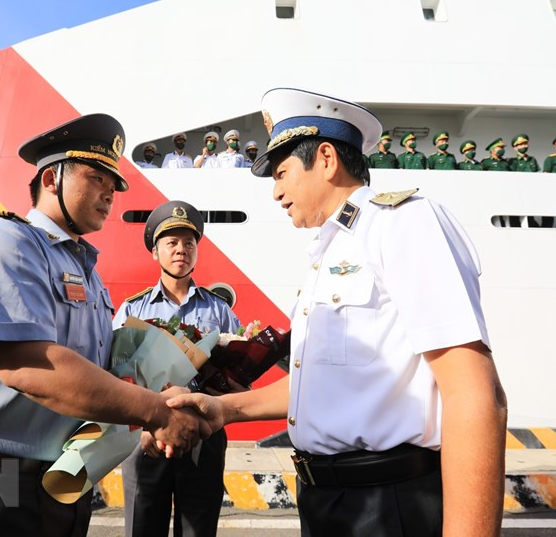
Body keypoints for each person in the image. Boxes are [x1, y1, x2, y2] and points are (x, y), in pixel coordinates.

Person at [169, 88, 507, 537]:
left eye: (282, 174)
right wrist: (222, 409)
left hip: (388, 503)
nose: (276, 193)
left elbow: (475, 393)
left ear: (326, 159)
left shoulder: (402, 223)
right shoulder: (329, 252)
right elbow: (318, 386)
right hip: (326, 502)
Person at [0, 114, 209, 537]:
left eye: (114, 184)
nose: (110, 193)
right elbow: (27, 366)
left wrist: (165, 386)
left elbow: (100, 372)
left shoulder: (87, 271)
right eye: (97, 178)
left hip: (62, 476)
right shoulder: (5, 241)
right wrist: (154, 411)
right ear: (51, 179)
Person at [114, 200, 241, 537]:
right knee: (142, 527)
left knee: (199, 529)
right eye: (171, 243)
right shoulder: (132, 309)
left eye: (189, 243)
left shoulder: (220, 312)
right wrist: (140, 425)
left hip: (204, 434)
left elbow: (237, 375)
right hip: (146, 435)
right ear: (155, 252)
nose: (181, 250)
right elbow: (116, 376)